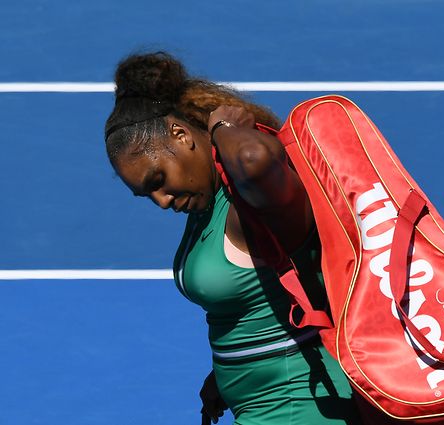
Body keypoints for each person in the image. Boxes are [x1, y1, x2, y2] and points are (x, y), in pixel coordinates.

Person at [104, 51, 361, 425]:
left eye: (158, 181)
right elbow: (256, 303)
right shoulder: (207, 203)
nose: (161, 201)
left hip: (300, 408)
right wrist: (224, 372)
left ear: (181, 135)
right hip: (265, 406)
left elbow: (255, 159)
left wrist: (223, 126)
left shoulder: (248, 203)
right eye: (148, 195)